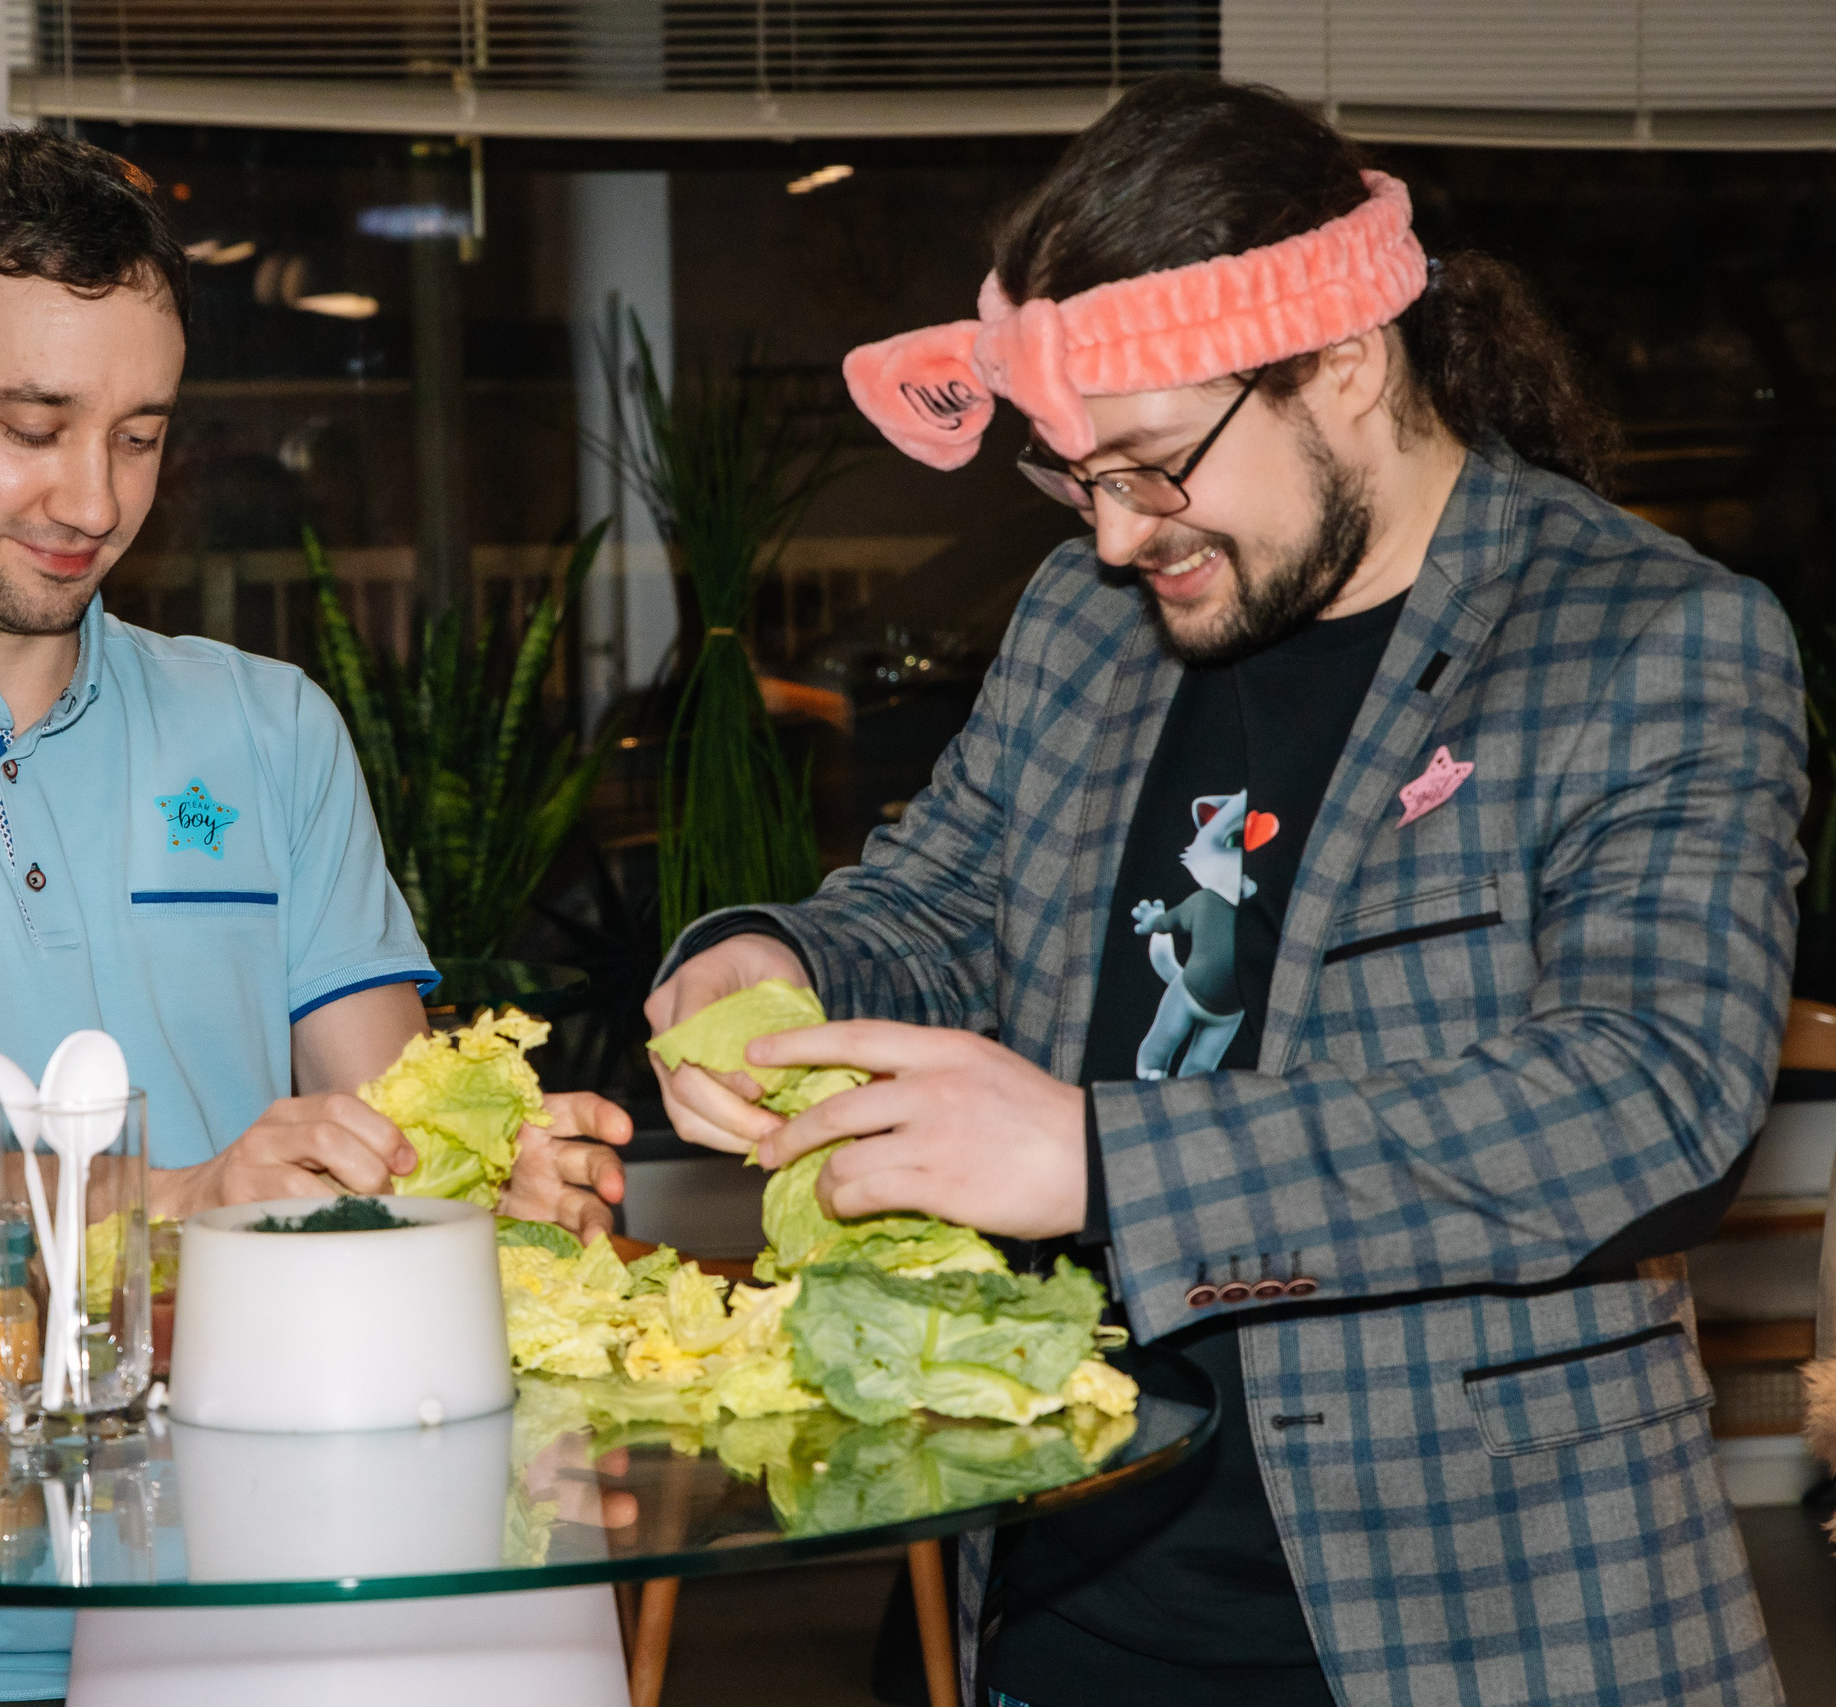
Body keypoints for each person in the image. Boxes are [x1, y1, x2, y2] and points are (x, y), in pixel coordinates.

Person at [648, 76, 1798, 1707]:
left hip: (1473, 1631)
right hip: (1063, 1610)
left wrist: (1098, 1163)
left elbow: (1648, 1101)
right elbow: (939, 909)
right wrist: (771, 960)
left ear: (1343, 361)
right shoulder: (1083, 624)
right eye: (1076, 477)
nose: (1118, 537)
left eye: (1150, 466)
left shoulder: (1646, 639)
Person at [0, 127, 630, 1707]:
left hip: (257, 1604)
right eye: (34, 427)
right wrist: (187, 1202)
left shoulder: (270, 728)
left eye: (140, 437)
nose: (94, 498)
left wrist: (503, 1178)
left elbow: (394, 1130)